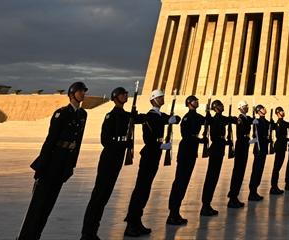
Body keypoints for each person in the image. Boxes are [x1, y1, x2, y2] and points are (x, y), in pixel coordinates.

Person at [18, 81, 89, 240]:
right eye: (80, 91)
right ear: (72, 94)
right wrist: (41, 166)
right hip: (51, 162)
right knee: (38, 205)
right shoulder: (61, 113)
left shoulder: (83, 115)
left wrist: (71, 166)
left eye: (84, 91)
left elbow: (78, 142)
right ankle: (25, 237)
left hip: (64, 164)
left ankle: (36, 236)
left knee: (48, 205)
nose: (83, 93)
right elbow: (50, 140)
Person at [80, 86, 139, 240]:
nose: (126, 96)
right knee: (99, 196)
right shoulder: (110, 116)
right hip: (109, 158)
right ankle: (87, 233)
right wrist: (123, 144)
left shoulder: (126, 115)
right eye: (123, 94)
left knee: (105, 196)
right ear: (115, 97)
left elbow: (141, 119)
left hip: (117, 158)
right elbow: (105, 140)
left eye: (126, 94)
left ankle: (92, 231)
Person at [123, 90, 179, 236]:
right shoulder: (150, 116)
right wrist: (160, 145)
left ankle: (137, 221)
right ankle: (130, 223)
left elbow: (173, 119)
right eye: (160, 97)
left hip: (155, 155)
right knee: (141, 189)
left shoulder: (159, 115)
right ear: (153, 100)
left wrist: (174, 118)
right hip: (149, 154)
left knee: (146, 189)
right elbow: (149, 138)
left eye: (162, 97)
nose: (162, 99)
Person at [166, 95, 205, 225]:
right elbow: (186, 136)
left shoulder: (197, 116)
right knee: (180, 181)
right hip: (185, 151)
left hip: (191, 151)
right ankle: (172, 212)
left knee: (184, 182)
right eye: (195, 101)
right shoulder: (187, 118)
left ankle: (175, 212)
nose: (197, 102)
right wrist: (199, 140)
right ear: (189, 103)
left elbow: (207, 121)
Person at [199, 99, 231, 216]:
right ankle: (205, 205)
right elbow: (215, 135)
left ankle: (207, 204)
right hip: (216, 149)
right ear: (216, 107)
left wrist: (226, 142)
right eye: (221, 105)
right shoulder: (213, 119)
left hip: (219, 149)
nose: (223, 106)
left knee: (214, 177)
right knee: (211, 178)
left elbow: (229, 120)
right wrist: (207, 115)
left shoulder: (220, 118)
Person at [225, 101, 253, 208]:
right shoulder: (240, 119)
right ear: (241, 108)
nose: (247, 108)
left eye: (247, 106)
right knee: (238, 171)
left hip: (244, 144)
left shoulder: (246, 118)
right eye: (245, 106)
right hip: (241, 145)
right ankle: (232, 197)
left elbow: (250, 120)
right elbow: (241, 132)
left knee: (241, 171)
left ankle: (234, 196)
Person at [247, 104, 270, 201]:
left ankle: (255, 191)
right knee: (256, 170)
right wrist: (254, 122)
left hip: (264, 148)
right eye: (262, 108)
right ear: (259, 111)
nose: (265, 109)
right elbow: (254, 135)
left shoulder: (266, 122)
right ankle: (252, 192)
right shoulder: (257, 121)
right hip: (258, 149)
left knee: (260, 170)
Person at [268, 106, 289, 195]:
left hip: (282, 146)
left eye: (283, 110)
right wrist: (272, 124)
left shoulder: (283, 122)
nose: (283, 112)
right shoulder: (278, 123)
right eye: (281, 111)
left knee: (278, 167)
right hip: (280, 146)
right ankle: (273, 187)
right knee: (276, 167)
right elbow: (279, 135)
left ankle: (274, 186)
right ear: (278, 113)